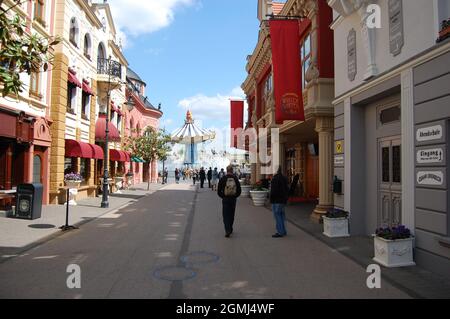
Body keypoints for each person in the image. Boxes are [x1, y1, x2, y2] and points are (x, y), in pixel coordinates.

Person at [217, 165, 241, 238]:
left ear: (227, 170)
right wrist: (235, 196)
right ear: (232, 170)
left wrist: (223, 196)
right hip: (233, 199)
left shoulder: (223, 178)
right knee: (231, 214)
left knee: (225, 215)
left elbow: (218, 191)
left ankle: (227, 230)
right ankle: (230, 228)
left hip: (225, 199)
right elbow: (239, 190)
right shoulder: (235, 178)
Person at [270, 166, 289, 238]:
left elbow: (273, 191)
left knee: (277, 216)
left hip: (276, 200)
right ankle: (283, 231)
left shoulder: (275, 179)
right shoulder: (284, 178)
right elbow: (287, 189)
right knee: (281, 215)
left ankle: (280, 232)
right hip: (282, 200)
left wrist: (270, 199)